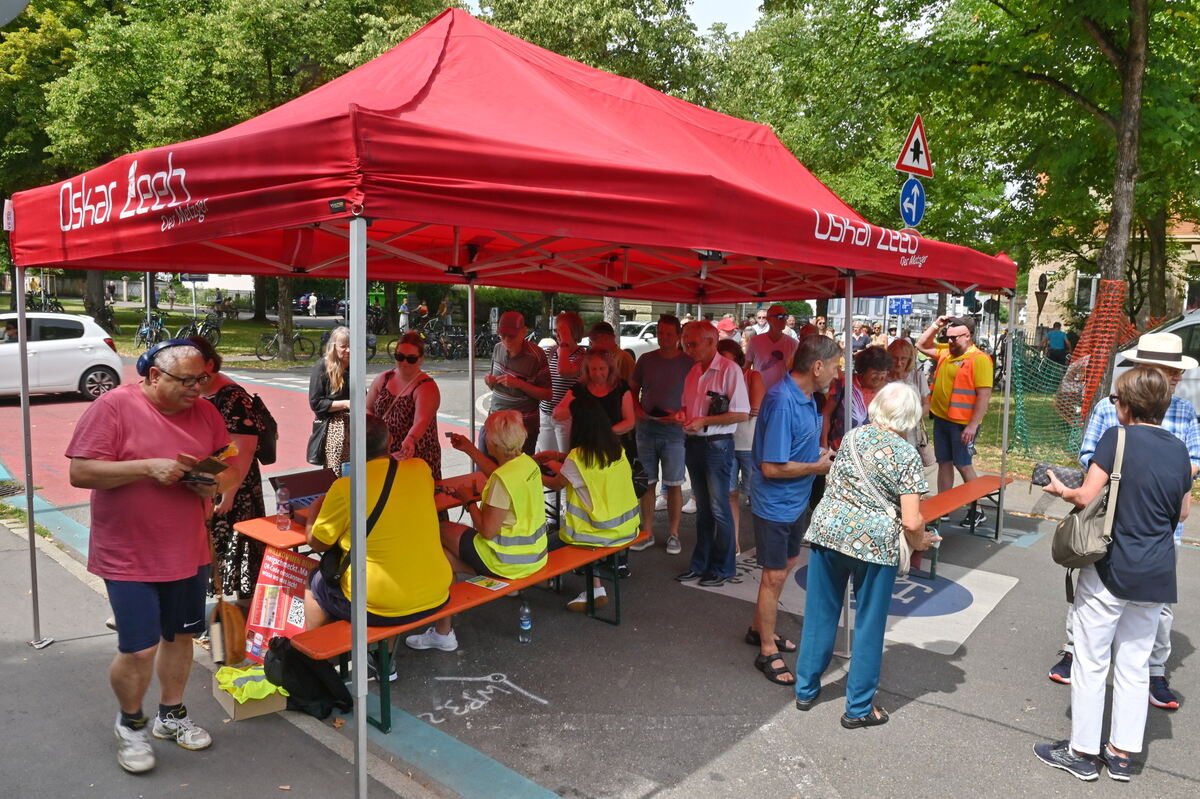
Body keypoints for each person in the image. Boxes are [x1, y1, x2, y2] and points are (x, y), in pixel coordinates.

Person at [67, 339, 239, 774]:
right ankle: (132, 724)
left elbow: (224, 464)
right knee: (139, 649)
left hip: (188, 549)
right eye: (186, 380)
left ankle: (171, 713)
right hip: (128, 555)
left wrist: (209, 483)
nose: (197, 389)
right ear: (153, 375)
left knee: (181, 638)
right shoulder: (113, 407)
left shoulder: (207, 412)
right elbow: (80, 471)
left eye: (203, 378)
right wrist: (147, 466)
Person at [1036, 368, 1191, 782]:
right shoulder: (1179, 450)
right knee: (1135, 663)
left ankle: (1082, 752)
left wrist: (1058, 488)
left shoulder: (1116, 438)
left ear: (1125, 405)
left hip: (1112, 564)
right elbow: (1182, 511)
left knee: (1091, 658)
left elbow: (1086, 495)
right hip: (1157, 569)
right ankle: (1121, 754)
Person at [1048, 333, 1200, 710]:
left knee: (1157, 605)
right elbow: (1090, 456)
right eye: (1170, 371)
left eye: (1178, 371)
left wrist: (1158, 471)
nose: (1177, 378)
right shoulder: (1108, 407)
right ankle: (1073, 653)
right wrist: (1128, 470)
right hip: (1109, 518)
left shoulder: (1183, 411)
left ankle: (1155, 671)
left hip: (1162, 526)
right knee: (1090, 591)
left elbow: (1193, 464)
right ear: (1146, 371)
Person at [793, 383, 936, 726]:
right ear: (910, 417)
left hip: (829, 531)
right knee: (869, 626)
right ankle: (857, 709)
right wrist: (920, 542)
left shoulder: (853, 438)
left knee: (819, 614)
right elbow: (912, 519)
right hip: (873, 543)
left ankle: (805, 688)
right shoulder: (905, 455)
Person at [306, 416, 455, 661]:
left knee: (314, 582)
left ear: (350, 445)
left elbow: (317, 542)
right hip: (436, 592)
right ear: (391, 440)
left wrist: (314, 511)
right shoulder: (420, 469)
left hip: (379, 604)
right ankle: (383, 659)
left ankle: (316, 658)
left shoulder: (345, 487)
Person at [747, 336, 839, 686]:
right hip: (776, 504)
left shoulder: (806, 398)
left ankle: (760, 629)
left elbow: (793, 451)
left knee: (785, 566)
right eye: (834, 366)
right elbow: (771, 467)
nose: (836, 373)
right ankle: (767, 649)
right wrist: (817, 469)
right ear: (817, 366)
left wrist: (818, 456)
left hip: (794, 501)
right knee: (773, 575)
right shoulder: (784, 401)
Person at [437, 412, 549, 622]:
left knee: (440, 530)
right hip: (535, 555)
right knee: (445, 554)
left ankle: (443, 621)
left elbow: (487, 530)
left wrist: (468, 501)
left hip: (508, 559)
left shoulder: (501, 481)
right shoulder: (526, 463)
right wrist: (470, 449)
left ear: (494, 442)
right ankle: (444, 626)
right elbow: (501, 472)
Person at [187, 336, 266, 603]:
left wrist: (229, 492)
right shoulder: (200, 391)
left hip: (234, 485)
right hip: (211, 480)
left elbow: (242, 449)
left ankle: (243, 614)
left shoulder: (233, 397)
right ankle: (220, 609)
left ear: (210, 363)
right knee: (212, 550)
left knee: (237, 547)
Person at [544, 397, 641, 610]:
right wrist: (558, 457)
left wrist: (533, 471)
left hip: (597, 533)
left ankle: (533, 583)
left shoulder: (578, 457)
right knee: (585, 532)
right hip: (627, 528)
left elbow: (556, 483)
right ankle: (595, 588)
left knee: (544, 545)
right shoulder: (616, 448)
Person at [673, 321, 749, 586]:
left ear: (711, 341)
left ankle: (723, 567)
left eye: (692, 343)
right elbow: (686, 406)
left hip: (717, 444)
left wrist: (703, 421)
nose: (687, 348)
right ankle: (701, 564)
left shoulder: (730, 370)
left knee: (719, 509)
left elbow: (742, 412)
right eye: (685, 342)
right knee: (704, 509)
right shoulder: (694, 371)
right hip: (695, 443)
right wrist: (684, 415)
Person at [915, 315, 993, 523]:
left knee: (963, 465)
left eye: (954, 338)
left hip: (962, 424)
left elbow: (984, 396)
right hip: (942, 419)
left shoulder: (979, 360)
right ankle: (943, 506)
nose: (949, 342)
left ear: (967, 336)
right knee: (945, 463)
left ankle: (976, 510)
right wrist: (935, 325)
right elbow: (921, 344)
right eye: (947, 338)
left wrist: (973, 425)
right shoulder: (946, 354)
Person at [630, 314, 693, 555]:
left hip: (674, 431)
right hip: (646, 429)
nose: (663, 338)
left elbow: (695, 398)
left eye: (668, 334)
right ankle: (647, 532)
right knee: (647, 483)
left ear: (678, 336)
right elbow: (633, 390)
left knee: (674, 483)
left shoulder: (688, 362)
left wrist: (680, 414)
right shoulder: (646, 360)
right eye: (660, 332)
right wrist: (638, 412)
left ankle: (673, 533)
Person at [366, 331, 442, 479]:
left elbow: (421, 420)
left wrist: (411, 439)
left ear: (421, 359)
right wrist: (371, 428)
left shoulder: (426, 386)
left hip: (414, 454)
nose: (404, 362)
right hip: (383, 454)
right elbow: (368, 407)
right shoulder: (384, 378)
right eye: (399, 357)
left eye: (411, 359)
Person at [717, 339, 763, 556]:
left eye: (730, 362)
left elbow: (753, 409)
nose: (726, 367)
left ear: (739, 360)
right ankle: (733, 544)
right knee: (730, 495)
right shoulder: (717, 379)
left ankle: (764, 543)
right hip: (726, 442)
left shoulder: (752, 376)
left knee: (757, 495)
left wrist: (725, 412)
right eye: (722, 362)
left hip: (749, 443)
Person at [483, 311, 551, 455]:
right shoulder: (497, 348)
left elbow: (548, 394)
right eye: (502, 336)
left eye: (511, 336)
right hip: (495, 422)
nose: (506, 340)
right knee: (484, 468)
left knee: (518, 474)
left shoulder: (536, 356)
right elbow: (493, 388)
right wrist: (490, 382)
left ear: (524, 332)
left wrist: (520, 384)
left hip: (522, 429)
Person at [821, 345, 892, 451]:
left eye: (883, 372)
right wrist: (824, 445)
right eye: (875, 372)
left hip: (874, 455)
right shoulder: (845, 385)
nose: (879, 377)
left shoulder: (889, 391)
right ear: (863, 370)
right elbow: (826, 414)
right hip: (840, 450)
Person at [537, 312, 586, 453]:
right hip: (545, 414)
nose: (558, 334)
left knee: (565, 459)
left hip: (567, 418)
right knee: (547, 458)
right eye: (556, 330)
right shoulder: (551, 352)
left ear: (574, 332)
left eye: (562, 331)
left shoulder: (582, 356)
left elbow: (563, 370)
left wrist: (564, 344)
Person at [309, 326, 352, 473]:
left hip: (354, 428)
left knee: (355, 474)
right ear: (334, 347)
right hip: (333, 427)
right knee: (336, 473)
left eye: (351, 346)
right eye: (343, 346)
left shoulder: (354, 367)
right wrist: (345, 404)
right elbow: (316, 403)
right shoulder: (322, 367)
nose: (348, 350)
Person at [886, 338, 931, 453]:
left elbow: (926, 404)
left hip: (911, 435)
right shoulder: (882, 377)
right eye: (895, 358)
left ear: (909, 359)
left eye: (903, 359)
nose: (898, 362)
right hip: (887, 433)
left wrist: (913, 417)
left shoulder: (917, 376)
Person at [746, 303, 799, 391]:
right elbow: (746, 367)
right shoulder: (755, 341)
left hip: (782, 395)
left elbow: (796, 371)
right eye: (780, 316)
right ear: (769, 319)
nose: (784, 319)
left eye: (785, 316)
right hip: (759, 393)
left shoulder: (793, 344)